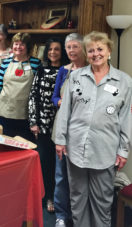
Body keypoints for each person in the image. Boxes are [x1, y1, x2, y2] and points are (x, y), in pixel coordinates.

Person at [54, 31, 132, 227]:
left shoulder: (124, 82)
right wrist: (61, 140)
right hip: (76, 149)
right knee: (77, 200)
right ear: (86, 53)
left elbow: (126, 118)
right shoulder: (76, 77)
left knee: (102, 202)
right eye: (91, 50)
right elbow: (65, 111)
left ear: (108, 51)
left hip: (105, 151)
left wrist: (123, 150)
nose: (96, 53)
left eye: (100, 49)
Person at [28, 38, 67, 213]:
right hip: (42, 126)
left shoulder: (67, 71)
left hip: (60, 125)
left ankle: (56, 197)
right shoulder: (41, 70)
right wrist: (33, 122)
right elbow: (33, 96)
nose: (53, 52)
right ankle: (45, 196)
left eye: (57, 49)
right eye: (50, 49)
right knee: (44, 162)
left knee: (58, 165)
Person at [52, 33, 86, 227]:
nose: (71, 50)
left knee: (80, 178)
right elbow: (55, 97)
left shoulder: (91, 71)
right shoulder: (64, 72)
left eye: (75, 46)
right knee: (61, 176)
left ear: (82, 48)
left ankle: (78, 215)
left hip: (82, 131)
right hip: (62, 130)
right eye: (68, 47)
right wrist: (60, 102)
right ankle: (61, 216)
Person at [0, 33, 41, 140]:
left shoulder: (36, 64)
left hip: (25, 115)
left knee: (25, 147)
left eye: (22, 44)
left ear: (28, 47)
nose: (18, 47)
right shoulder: (5, 63)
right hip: (4, 113)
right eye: (16, 44)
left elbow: (38, 91)